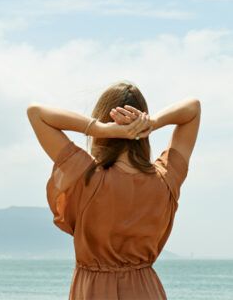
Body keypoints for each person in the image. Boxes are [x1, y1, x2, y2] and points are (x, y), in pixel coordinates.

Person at [26, 80, 201, 299]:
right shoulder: (166, 178)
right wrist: (151, 124)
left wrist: (99, 128)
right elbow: (193, 109)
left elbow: (36, 113)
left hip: (92, 292)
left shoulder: (85, 174)